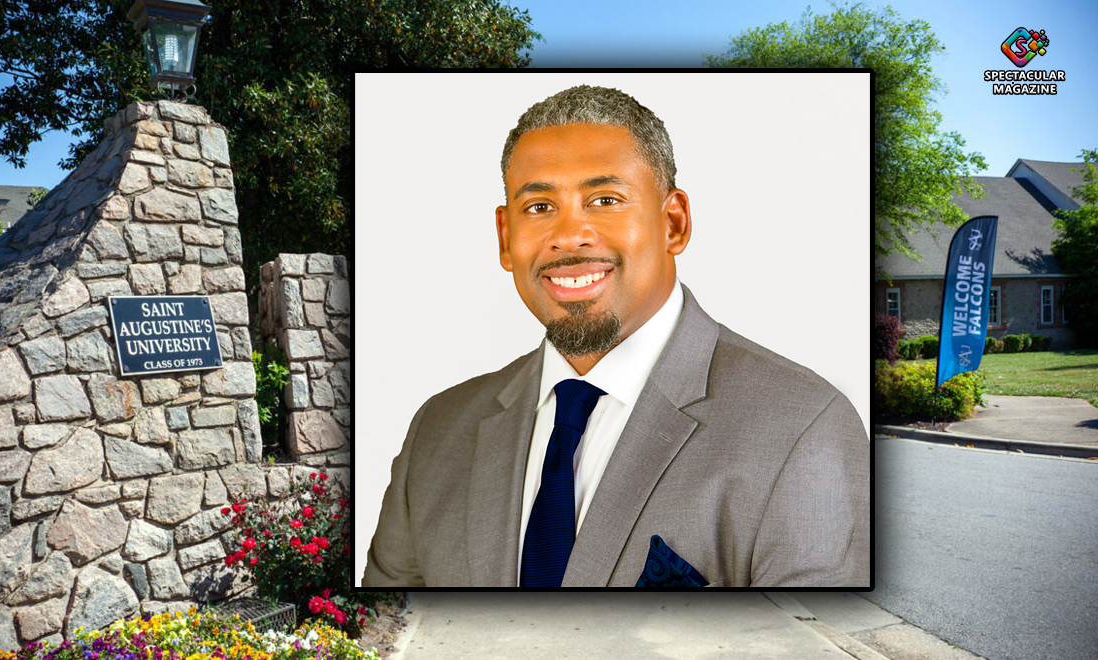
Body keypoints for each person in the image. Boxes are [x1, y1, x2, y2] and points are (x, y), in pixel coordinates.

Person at [363, 85, 869, 588]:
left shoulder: (805, 429)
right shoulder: (437, 431)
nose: (569, 234)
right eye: (539, 207)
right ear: (505, 238)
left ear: (673, 223)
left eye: (605, 199)